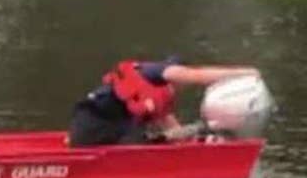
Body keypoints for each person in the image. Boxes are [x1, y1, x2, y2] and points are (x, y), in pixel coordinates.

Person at [69, 57, 260, 147]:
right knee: (145, 140)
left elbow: (176, 133)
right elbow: (199, 75)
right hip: (94, 128)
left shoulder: (159, 102)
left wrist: (199, 142)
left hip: (83, 131)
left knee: (152, 138)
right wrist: (244, 72)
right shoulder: (160, 71)